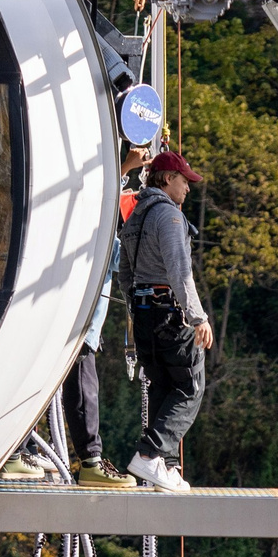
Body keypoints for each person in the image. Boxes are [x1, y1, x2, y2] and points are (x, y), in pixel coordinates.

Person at [56, 144, 152, 489]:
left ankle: (23, 451)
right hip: (78, 321)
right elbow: (113, 250)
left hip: (74, 318)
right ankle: (91, 462)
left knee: (73, 386)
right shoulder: (96, 229)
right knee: (83, 387)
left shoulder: (92, 221)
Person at [119, 147, 214, 492]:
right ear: (169, 179)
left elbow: (125, 271)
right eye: (185, 181)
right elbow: (180, 271)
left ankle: (166, 467)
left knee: (163, 386)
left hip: (144, 316)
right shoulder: (169, 217)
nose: (188, 188)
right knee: (190, 387)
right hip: (171, 313)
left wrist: (137, 307)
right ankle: (149, 456)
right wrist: (197, 317)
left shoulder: (135, 217)